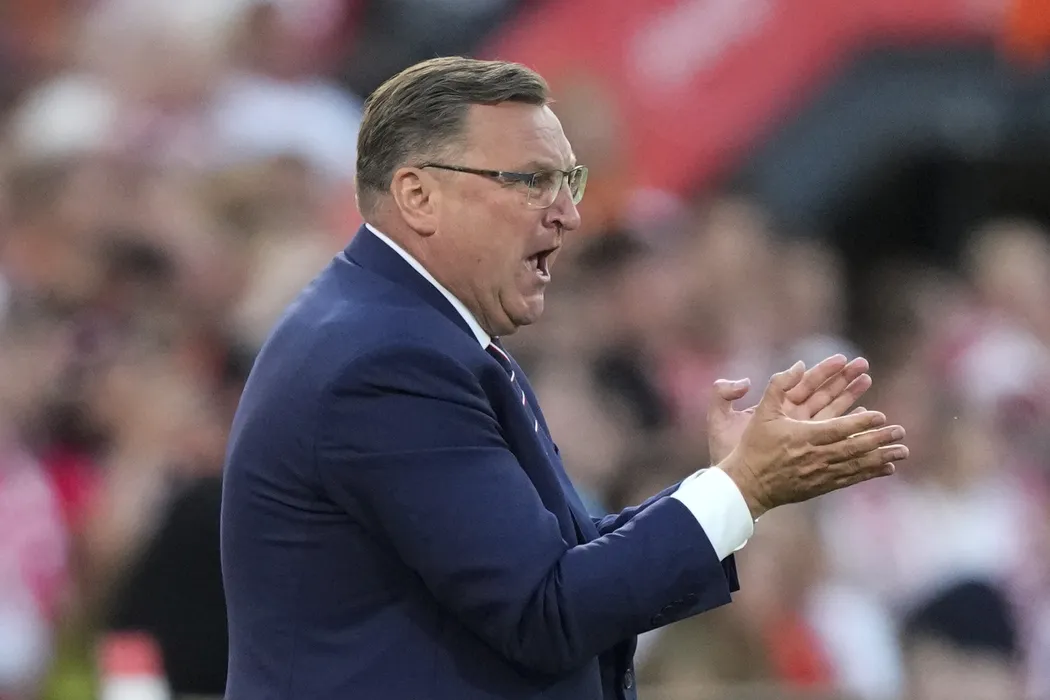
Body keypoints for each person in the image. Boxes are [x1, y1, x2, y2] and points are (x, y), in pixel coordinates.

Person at [220, 56, 908, 700]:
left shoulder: (402, 329)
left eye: (568, 181)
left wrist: (727, 482)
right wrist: (744, 487)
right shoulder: (388, 359)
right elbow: (544, 611)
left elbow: (554, 561)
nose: (569, 213)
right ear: (419, 195)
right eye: (531, 181)